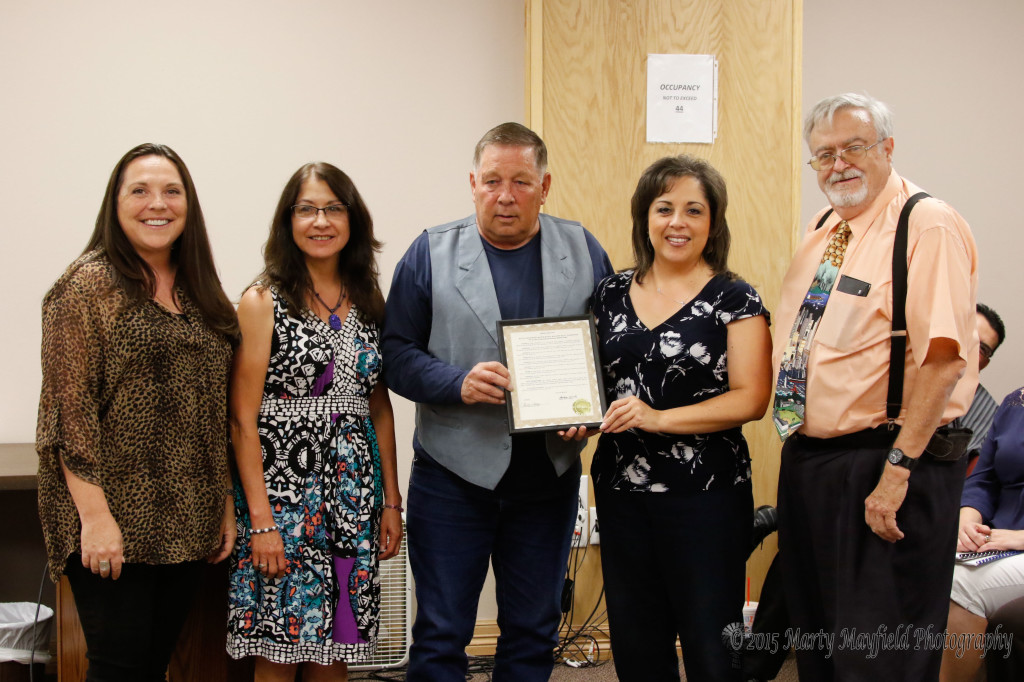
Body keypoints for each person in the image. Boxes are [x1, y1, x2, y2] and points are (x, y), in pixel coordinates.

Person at [381, 122, 612, 681]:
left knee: (533, 631)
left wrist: (589, 414)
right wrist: (454, 382)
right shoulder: (430, 252)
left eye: (521, 182)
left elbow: (611, 351)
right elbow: (394, 353)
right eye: (491, 181)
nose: (505, 196)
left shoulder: (582, 249)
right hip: (452, 475)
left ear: (545, 184)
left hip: (547, 477)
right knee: (441, 633)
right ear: (472, 183)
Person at [771, 93, 979, 681]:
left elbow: (943, 362)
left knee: (878, 656)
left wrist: (896, 471)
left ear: (887, 148)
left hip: (887, 465)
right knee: (821, 647)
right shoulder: (824, 227)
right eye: (824, 155)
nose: (838, 164)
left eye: (854, 147)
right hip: (812, 460)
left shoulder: (926, 223)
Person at [35, 143, 239, 681]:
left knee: (154, 664)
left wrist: (221, 500)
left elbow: (213, 410)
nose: (158, 204)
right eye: (140, 190)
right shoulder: (84, 288)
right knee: (118, 667)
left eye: (172, 191)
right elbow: (66, 416)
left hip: (187, 517)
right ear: (116, 202)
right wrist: (96, 519)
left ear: (188, 204)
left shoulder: (200, 288)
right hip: (111, 517)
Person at [588, 155, 771, 681]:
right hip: (622, 492)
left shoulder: (736, 299)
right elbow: (593, 384)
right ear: (644, 217)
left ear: (713, 222)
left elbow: (751, 398)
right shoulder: (609, 294)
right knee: (637, 637)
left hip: (706, 495)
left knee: (711, 640)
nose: (677, 222)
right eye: (664, 208)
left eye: (694, 210)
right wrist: (571, 413)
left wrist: (656, 418)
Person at [226, 163, 403, 681]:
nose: (320, 220)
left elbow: (379, 409)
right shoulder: (262, 301)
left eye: (333, 208)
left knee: (336, 648)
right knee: (281, 648)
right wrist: (260, 521)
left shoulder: (368, 300)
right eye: (307, 209)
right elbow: (242, 419)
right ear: (289, 221)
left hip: (352, 500)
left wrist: (391, 502)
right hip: (283, 502)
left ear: (352, 220)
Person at [940, 387, 1024, 682]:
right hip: (998, 538)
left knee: (958, 585)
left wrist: (1021, 538)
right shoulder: (1016, 402)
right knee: (917, 561)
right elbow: (984, 477)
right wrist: (968, 517)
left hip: (1016, 544)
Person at [954, 303, 1006, 471]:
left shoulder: (990, 414)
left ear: (986, 363)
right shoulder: (904, 371)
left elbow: (976, 480)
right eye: (969, 336)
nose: (971, 349)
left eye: (982, 349)